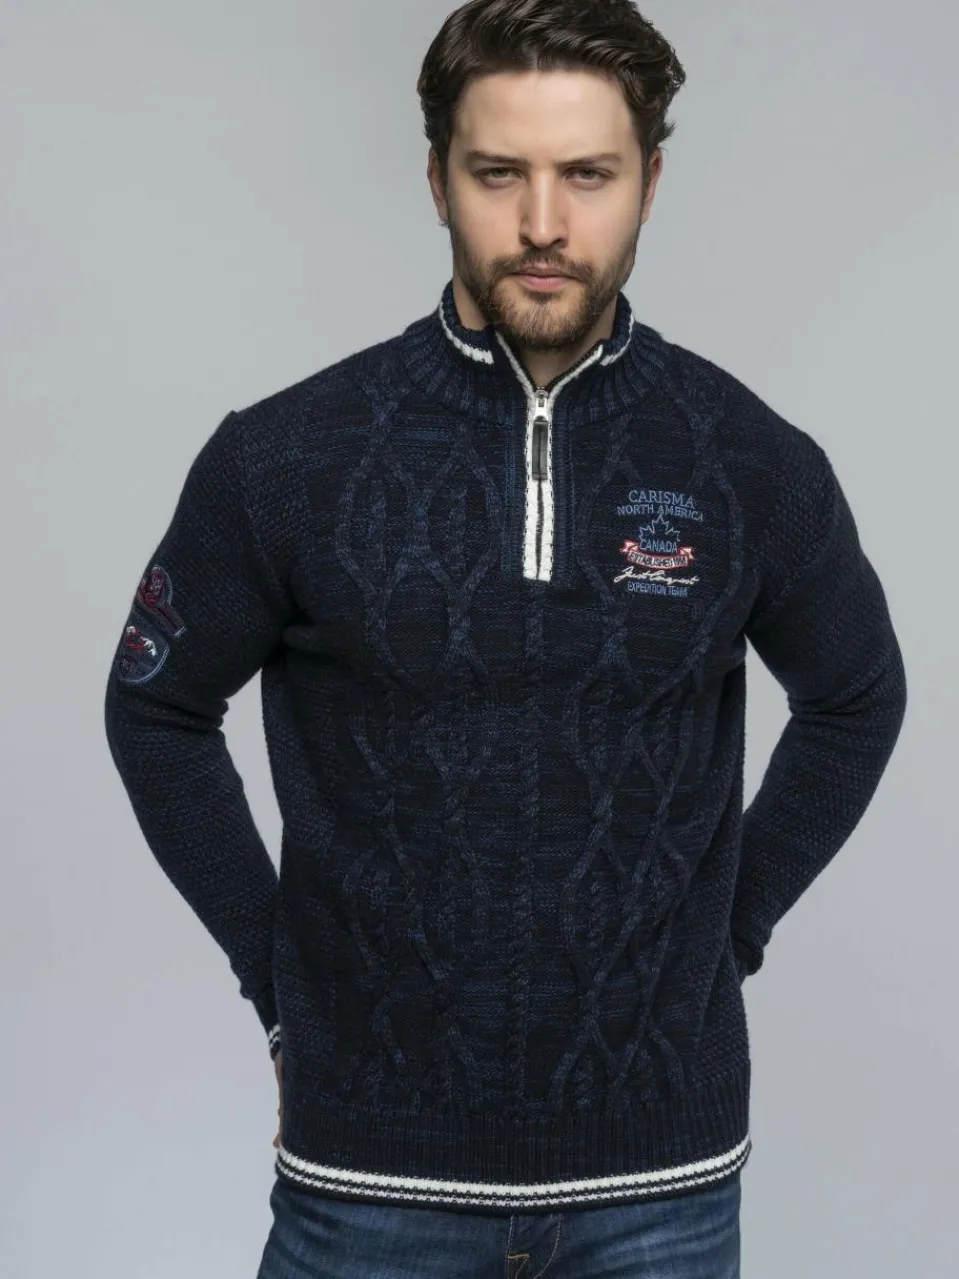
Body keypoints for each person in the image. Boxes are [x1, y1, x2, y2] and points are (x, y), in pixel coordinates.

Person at [103, 1, 907, 1275]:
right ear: (436, 180)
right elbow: (154, 706)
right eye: (497, 174)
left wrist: (723, 936)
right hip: (368, 1189)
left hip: (659, 1195)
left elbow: (857, 696)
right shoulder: (286, 458)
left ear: (649, 182)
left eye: (587, 174)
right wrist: (280, 978)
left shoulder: (748, 461)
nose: (542, 223)